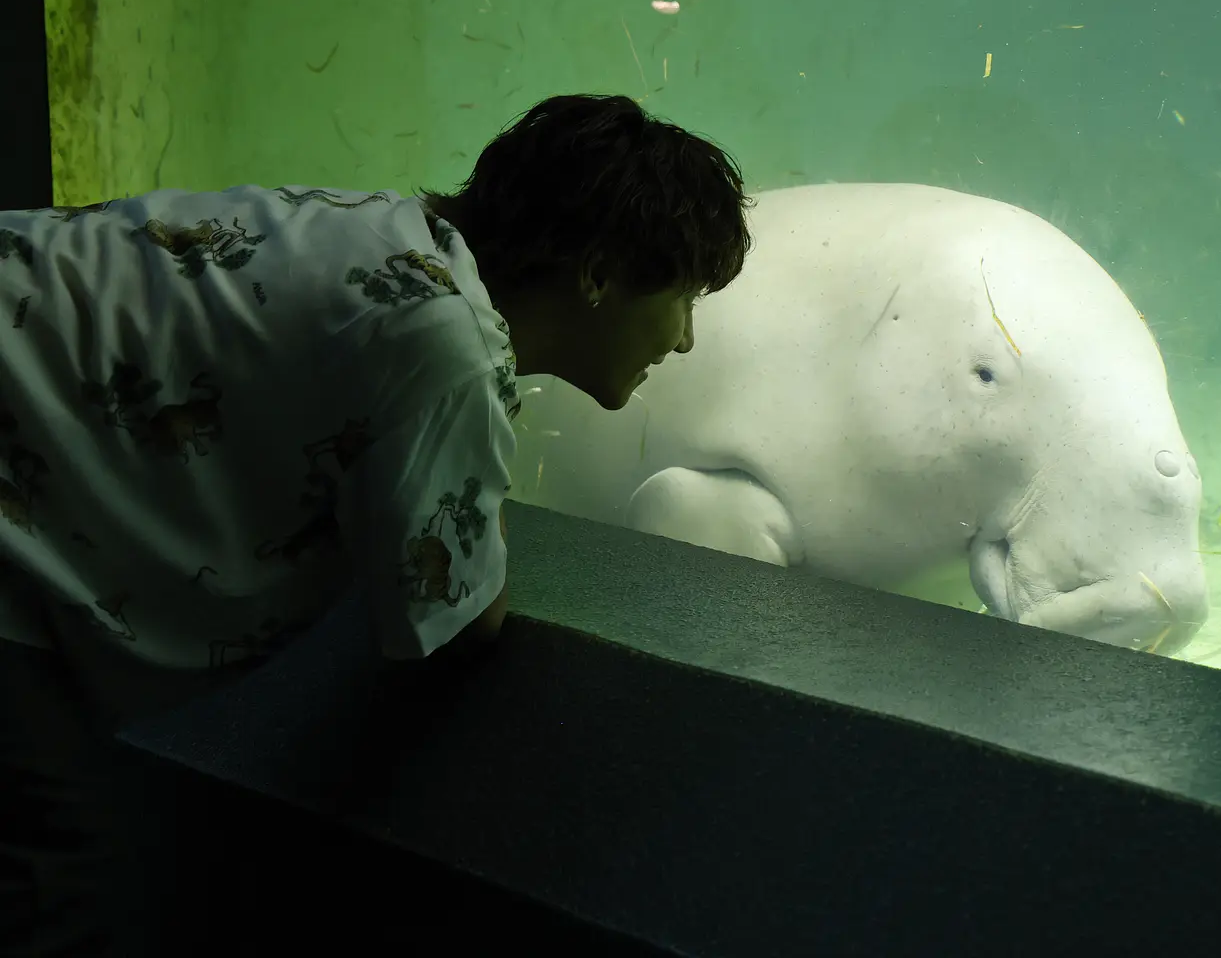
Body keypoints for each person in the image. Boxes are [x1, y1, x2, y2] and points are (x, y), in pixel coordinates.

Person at [0, 93, 752, 955]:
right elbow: (457, 620)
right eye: (681, 297)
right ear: (597, 275)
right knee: (61, 884)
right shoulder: (446, 345)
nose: (685, 339)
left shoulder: (385, 230)